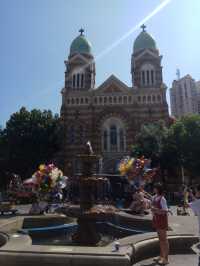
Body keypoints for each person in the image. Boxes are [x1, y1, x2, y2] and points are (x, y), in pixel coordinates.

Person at [151, 183, 169, 265]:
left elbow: (165, 211)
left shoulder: (162, 199)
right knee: (160, 239)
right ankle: (161, 255)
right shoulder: (155, 197)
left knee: (164, 239)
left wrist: (155, 210)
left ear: (158, 189)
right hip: (156, 220)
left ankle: (166, 259)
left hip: (161, 220)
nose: (153, 189)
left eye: (155, 188)